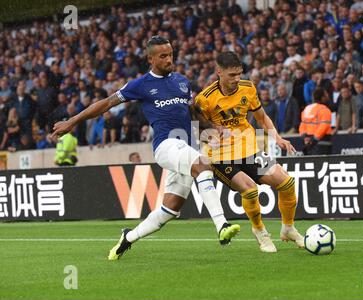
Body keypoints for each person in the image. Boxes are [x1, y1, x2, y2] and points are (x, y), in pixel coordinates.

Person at [52, 36, 240, 260]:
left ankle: (128, 238)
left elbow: (193, 116)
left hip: (186, 147)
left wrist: (212, 128)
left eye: (170, 54)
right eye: (163, 56)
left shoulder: (182, 82)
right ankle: (222, 226)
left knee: (171, 209)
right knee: (203, 165)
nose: (169, 59)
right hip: (166, 145)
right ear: (150, 59)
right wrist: (72, 121)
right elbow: (105, 103)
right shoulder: (140, 85)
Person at [193, 51, 304, 253]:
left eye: (239, 74)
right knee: (250, 189)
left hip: (249, 149)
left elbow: (262, 118)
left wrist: (277, 138)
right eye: (231, 75)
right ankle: (260, 231)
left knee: (286, 183)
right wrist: (211, 134)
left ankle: (288, 228)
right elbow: (196, 129)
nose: (237, 79)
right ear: (219, 72)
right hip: (220, 156)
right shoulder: (205, 99)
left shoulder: (248, 88)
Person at [299, 88, 333, 155]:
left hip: (307, 143)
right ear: (322, 97)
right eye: (326, 94)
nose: (328, 96)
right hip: (322, 142)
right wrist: (314, 139)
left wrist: (305, 138)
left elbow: (302, 126)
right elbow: (324, 126)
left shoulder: (307, 109)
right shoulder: (325, 109)